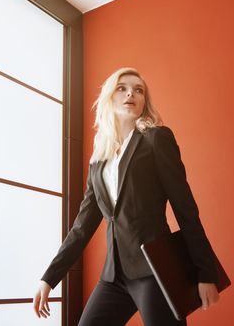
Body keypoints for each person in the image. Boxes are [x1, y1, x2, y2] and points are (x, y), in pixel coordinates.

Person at [33, 67, 220, 325]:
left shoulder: (156, 140)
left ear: (144, 103)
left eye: (138, 90)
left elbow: (185, 209)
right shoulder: (99, 161)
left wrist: (205, 272)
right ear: (109, 97)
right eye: (122, 88)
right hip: (114, 277)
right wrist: (49, 278)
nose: (130, 93)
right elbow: (81, 228)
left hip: (154, 271)